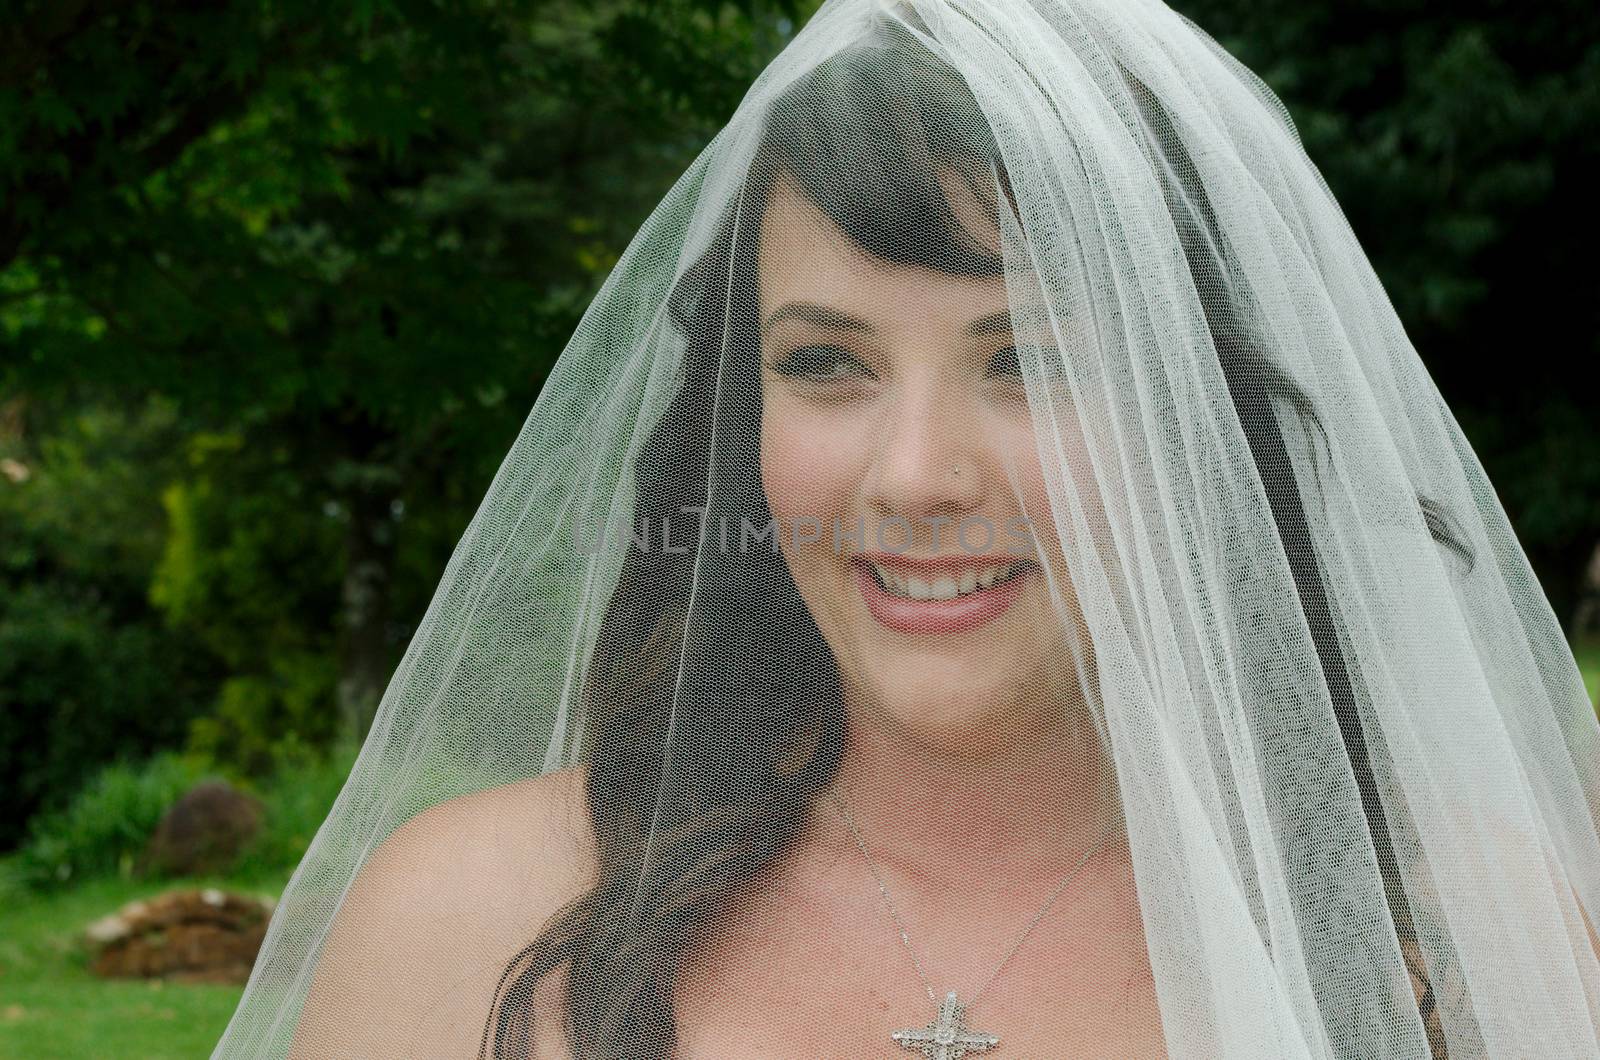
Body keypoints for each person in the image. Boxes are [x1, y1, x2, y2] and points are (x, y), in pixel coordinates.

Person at [212, 1, 1600, 1058]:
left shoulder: (1474, 942)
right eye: (826, 364)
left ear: (1196, 420)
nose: (916, 475)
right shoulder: (463, 927)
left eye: (1031, 361)